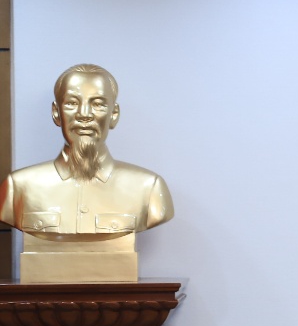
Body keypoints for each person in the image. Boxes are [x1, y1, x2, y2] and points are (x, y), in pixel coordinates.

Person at [0, 63, 173, 240]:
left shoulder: (148, 188)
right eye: (72, 103)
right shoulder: (18, 187)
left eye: (97, 104)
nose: (84, 114)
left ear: (114, 115)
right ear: (56, 113)